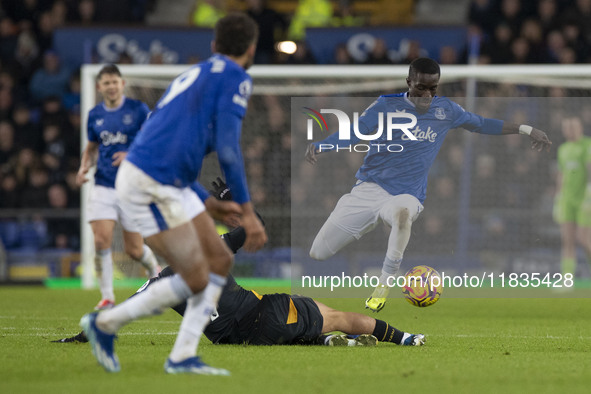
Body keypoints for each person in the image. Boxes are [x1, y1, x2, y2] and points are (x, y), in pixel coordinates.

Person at [79, 13, 267, 376]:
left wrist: (209, 202)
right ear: (251, 49)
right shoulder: (236, 78)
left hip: (160, 177)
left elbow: (173, 143)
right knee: (198, 275)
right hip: (152, 181)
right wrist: (247, 212)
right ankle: (106, 324)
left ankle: (182, 356)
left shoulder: (191, 75)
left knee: (218, 261)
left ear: (213, 46)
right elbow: (228, 151)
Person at [305, 57, 552, 313]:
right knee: (318, 252)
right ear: (409, 82)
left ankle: (383, 285)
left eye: (433, 89)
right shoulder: (385, 105)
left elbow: (480, 124)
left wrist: (526, 129)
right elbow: (355, 132)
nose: (427, 95)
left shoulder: (447, 110)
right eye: (421, 88)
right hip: (369, 189)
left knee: (402, 215)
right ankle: (369, 221)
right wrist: (324, 145)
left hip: (406, 194)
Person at [58, 198, 424, 347]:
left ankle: (324, 341)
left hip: (237, 339)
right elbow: (256, 227)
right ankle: (406, 338)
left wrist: (81, 336)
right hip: (264, 314)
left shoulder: (160, 282)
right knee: (337, 315)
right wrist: (235, 200)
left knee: (313, 325)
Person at [76, 64, 160, 310]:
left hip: (131, 187)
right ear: (99, 87)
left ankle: (154, 270)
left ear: (122, 84)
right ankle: (107, 297)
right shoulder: (94, 115)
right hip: (103, 184)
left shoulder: (138, 110)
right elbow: (92, 148)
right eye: (106, 83)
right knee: (101, 240)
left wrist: (130, 155)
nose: (111, 86)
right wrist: (84, 168)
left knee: (134, 249)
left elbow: (153, 142)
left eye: (115, 82)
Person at [553, 115, 591, 278]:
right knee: (567, 240)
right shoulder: (563, 149)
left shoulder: (587, 145)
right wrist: (558, 197)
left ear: (580, 128)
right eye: (567, 127)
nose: (570, 131)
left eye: (573, 127)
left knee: (583, 239)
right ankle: (566, 280)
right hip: (567, 200)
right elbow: (561, 174)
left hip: (584, 199)